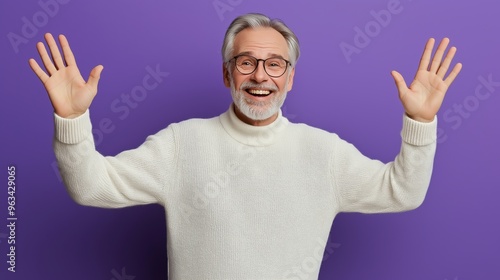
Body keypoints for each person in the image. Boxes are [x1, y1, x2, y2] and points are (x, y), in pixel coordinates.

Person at [29, 13, 461, 280]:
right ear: (227, 74)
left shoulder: (323, 153)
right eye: (246, 62)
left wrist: (420, 121)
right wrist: (72, 119)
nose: (260, 76)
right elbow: (91, 187)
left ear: (290, 78)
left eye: (275, 64)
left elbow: (403, 192)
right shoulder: (183, 143)